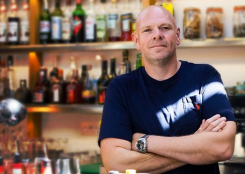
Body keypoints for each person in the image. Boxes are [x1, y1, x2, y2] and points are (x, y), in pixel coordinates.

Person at [98, 5, 236, 174]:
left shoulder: (205, 77)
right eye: (148, 30)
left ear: (177, 36)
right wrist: (197, 145)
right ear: (136, 41)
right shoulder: (120, 88)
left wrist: (144, 141)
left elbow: (223, 147)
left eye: (165, 28)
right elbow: (115, 163)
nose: (157, 34)